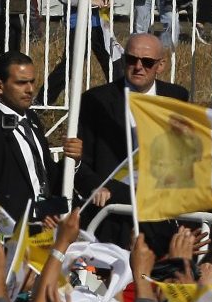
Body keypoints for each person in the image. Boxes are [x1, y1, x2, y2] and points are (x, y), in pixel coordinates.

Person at [75, 33, 189, 250]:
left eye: (147, 62)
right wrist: (95, 186)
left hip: (160, 212)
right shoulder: (96, 100)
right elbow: (81, 162)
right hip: (114, 211)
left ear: (161, 65)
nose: (138, 67)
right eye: (131, 59)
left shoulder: (176, 97)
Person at [0, 52, 82, 222]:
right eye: (21, 83)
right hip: (14, 235)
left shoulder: (31, 119)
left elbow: (46, 179)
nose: (30, 89)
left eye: (32, 82)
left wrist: (72, 160)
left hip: (47, 224)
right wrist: (29, 222)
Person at [36, 0, 123, 106]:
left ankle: (123, 101)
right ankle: (42, 101)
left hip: (101, 22)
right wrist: (90, 1)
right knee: (71, 65)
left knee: (114, 62)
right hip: (77, 24)